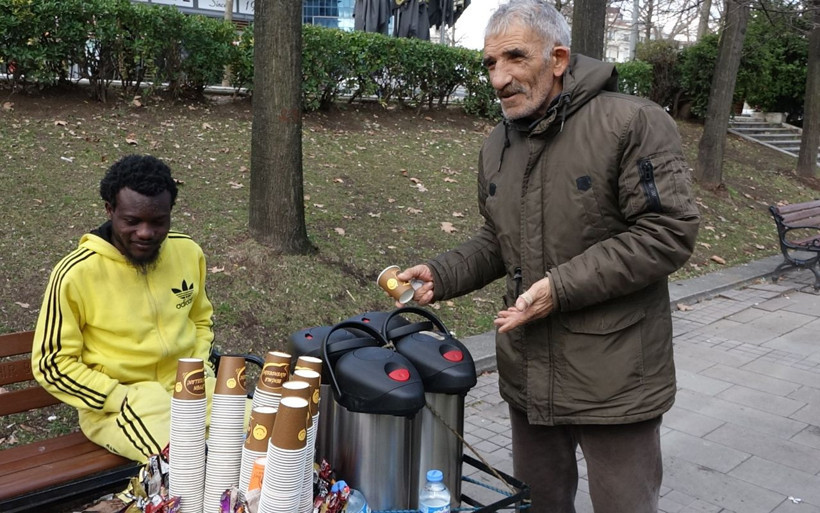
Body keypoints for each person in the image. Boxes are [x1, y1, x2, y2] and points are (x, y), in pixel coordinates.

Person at [397, 1, 700, 511]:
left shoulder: (631, 122)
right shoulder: (497, 145)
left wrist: (558, 288)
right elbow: (499, 240)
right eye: (490, 63)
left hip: (616, 377)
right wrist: (443, 273)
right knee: (538, 504)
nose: (499, 78)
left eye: (514, 57)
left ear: (557, 58)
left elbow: (667, 231)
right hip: (530, 375)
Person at [31, 154, 215, 463]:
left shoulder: (188, 252)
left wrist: (197, 369)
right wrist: (119, 396)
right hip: (119, 405)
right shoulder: (76, 274)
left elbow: (201, 320)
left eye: (158, 222)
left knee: (267, 436)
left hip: (191, 387)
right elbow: (52, 363)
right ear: (110, 210)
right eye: (132, 221)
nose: (146, 233)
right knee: (191, 460)